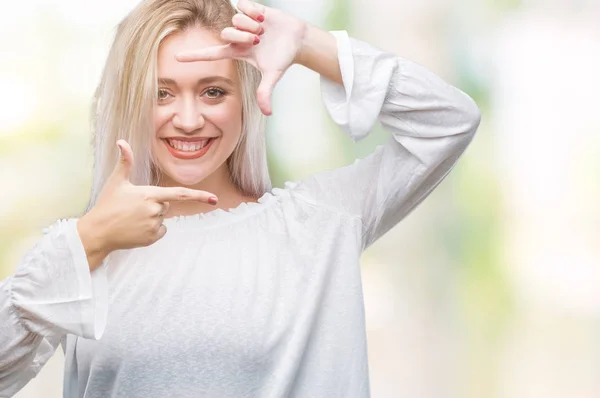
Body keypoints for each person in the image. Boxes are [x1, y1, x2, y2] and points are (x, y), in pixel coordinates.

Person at [0, 0, 481, 396]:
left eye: (213, 92)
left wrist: (309, 44)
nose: (188, 120)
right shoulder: (84, 249)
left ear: (247, 101)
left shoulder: (320, 223)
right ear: (129, 100)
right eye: (161, 93)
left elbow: (448, 122)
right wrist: (87, 241)